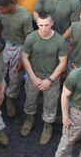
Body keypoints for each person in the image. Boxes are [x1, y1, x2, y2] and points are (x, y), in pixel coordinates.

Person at [21, 12, 68, 145]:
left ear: (52, 23)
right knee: (30, 99)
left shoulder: (59, 40)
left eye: (47, 25)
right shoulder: (31, 38)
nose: (44, 28)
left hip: (51, 77)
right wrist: (33, 77)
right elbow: (25, 57)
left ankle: (48, 125)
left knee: (50, 104)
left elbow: (63, 63)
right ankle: (30, 118)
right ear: (37, 24)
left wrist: (50, 80)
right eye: (41, 25)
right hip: (34, 75)